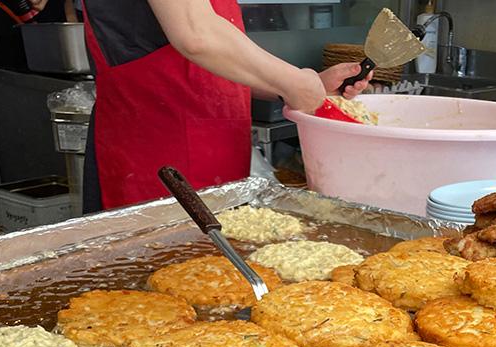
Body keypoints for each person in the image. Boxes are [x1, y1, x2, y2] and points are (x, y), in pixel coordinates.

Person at [82, 0, 370, 211]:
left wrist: (302, 86)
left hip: (216, 160)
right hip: (154, 159)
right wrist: (295, 83)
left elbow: (215, 62)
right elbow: (197, 35)